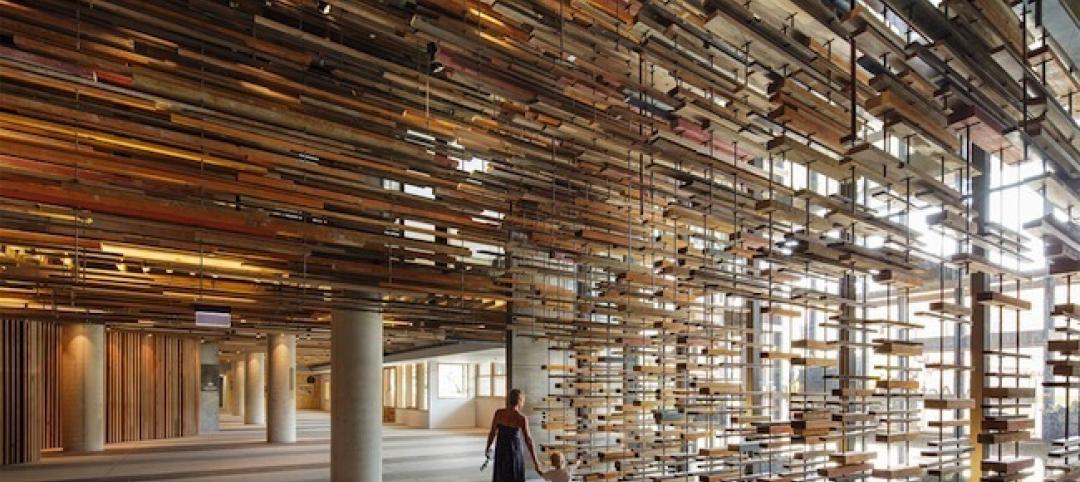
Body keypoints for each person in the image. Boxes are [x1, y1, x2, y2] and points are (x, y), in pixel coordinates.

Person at [485, 389, 542, 481]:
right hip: (514, 452)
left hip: (501, 451)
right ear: (520, 401)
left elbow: (492, 433)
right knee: (514, 475)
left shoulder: (499, 413)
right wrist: (536, 461)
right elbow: (528, 440)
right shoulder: (521, 418)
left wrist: (487, 447)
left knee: (501, 476)